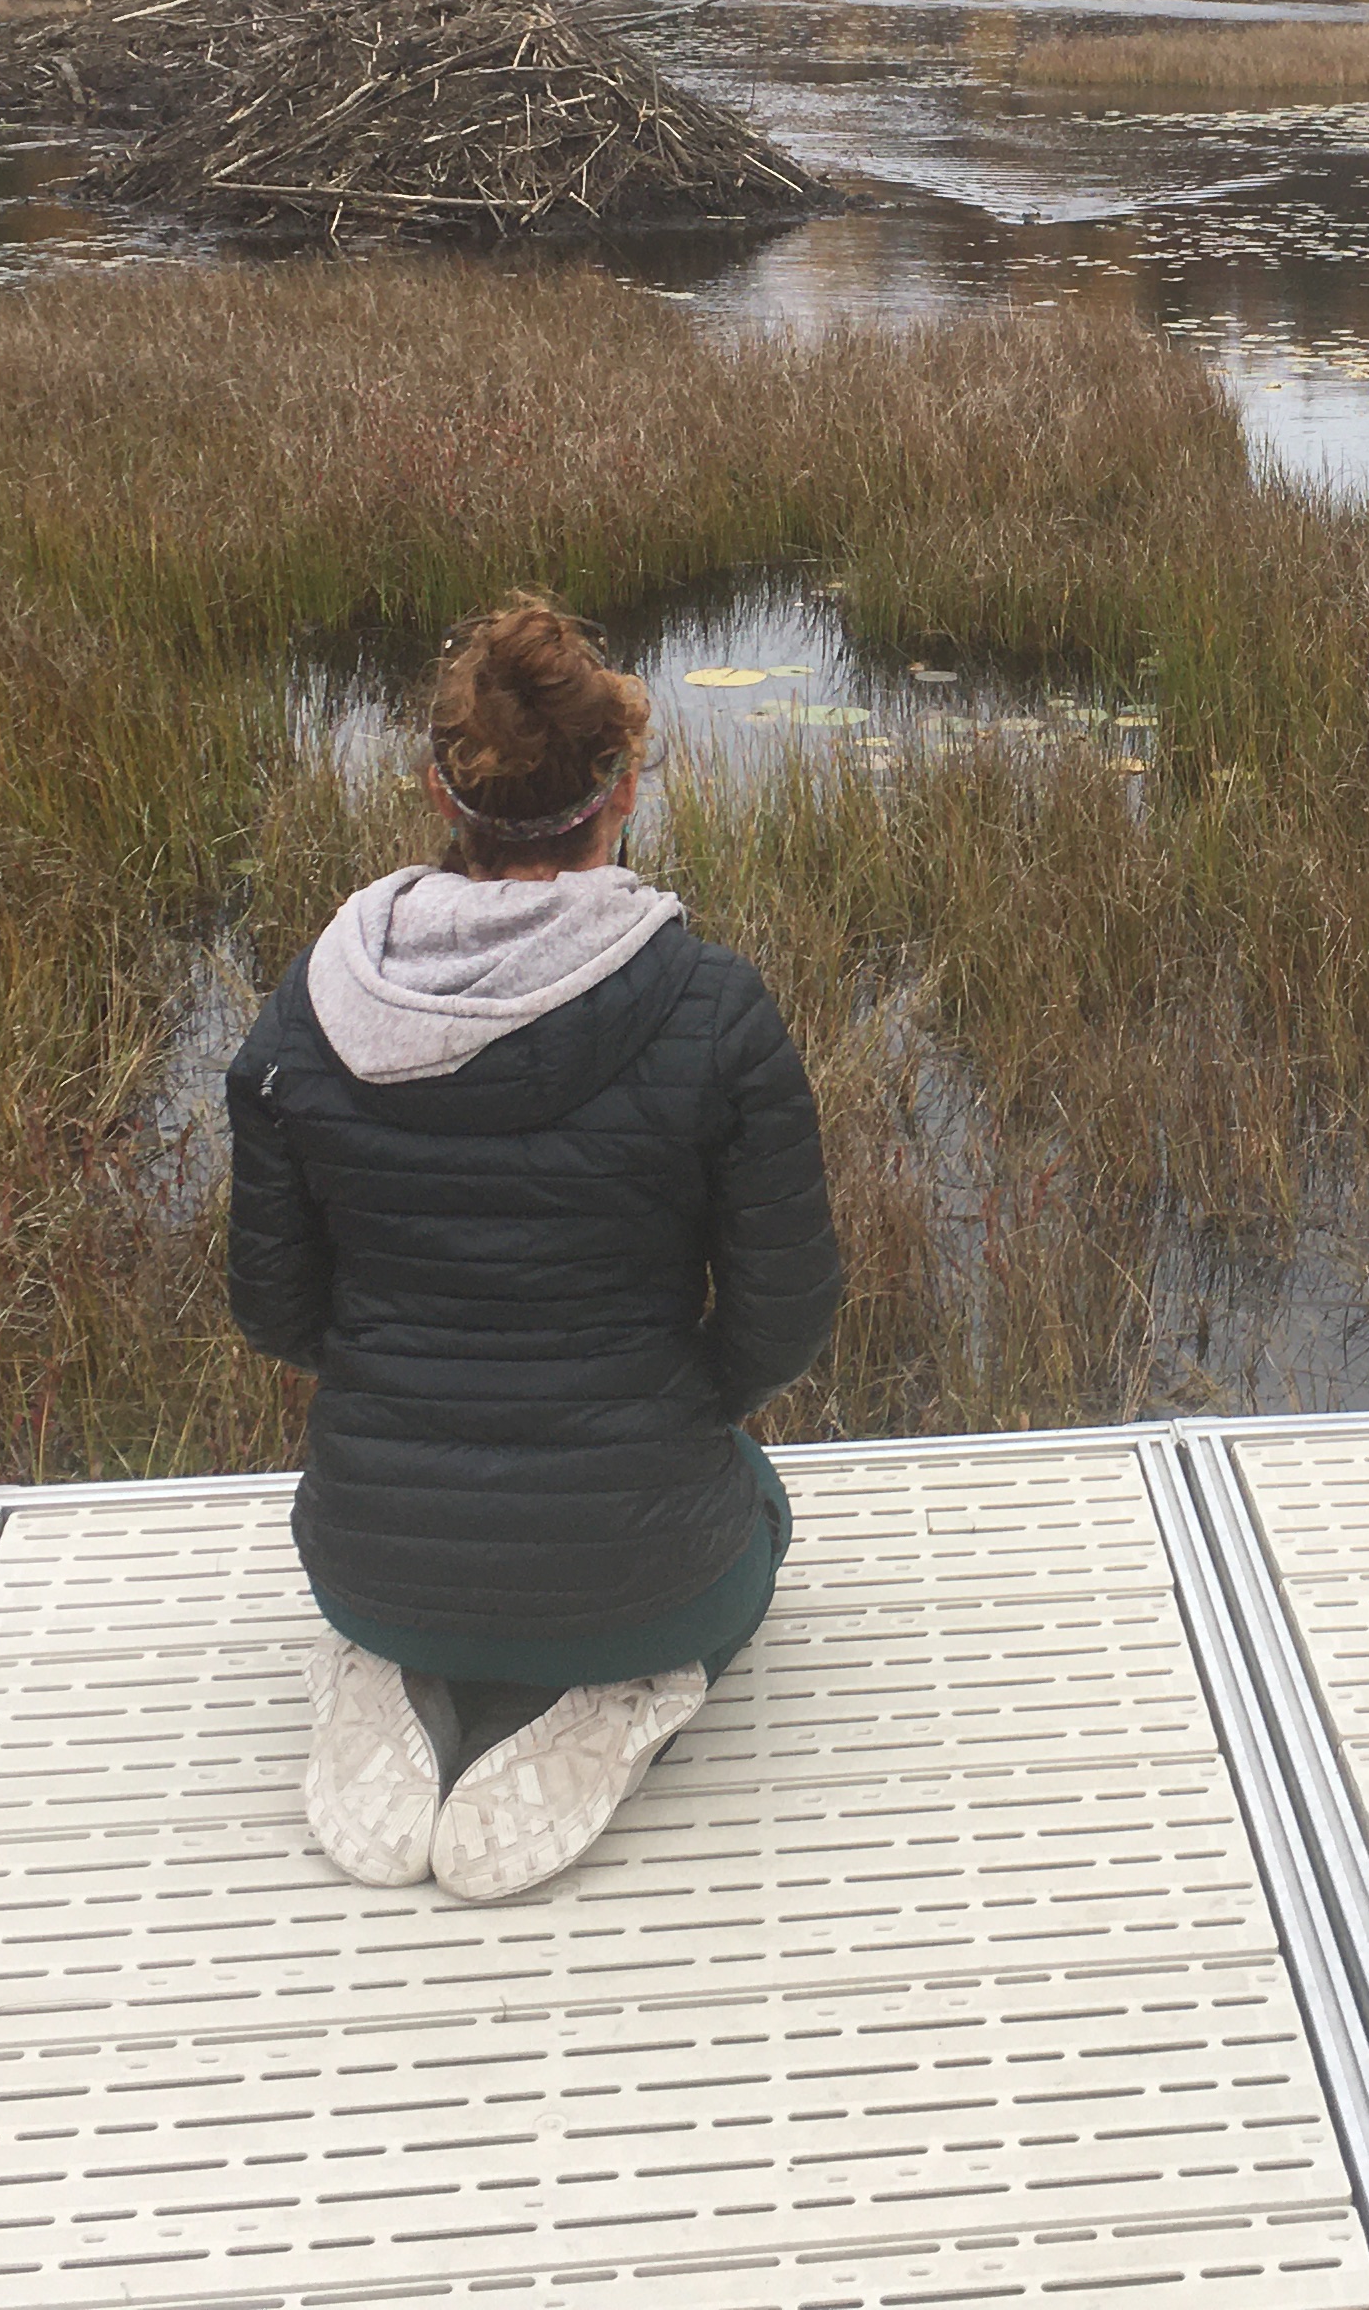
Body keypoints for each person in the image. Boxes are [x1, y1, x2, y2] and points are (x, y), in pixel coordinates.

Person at [225, 590, 842, 1902]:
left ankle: (390, 1662)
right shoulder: (716, 1013)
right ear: (619, 795)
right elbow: (784, 1319)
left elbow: (275, 1310)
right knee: (761, 1509)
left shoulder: (307, 1011)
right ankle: (616, 1694)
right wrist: (674, 1400)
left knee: (425, 1560)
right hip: (647, 1562)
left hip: (368, 1555)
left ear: (441, 797)